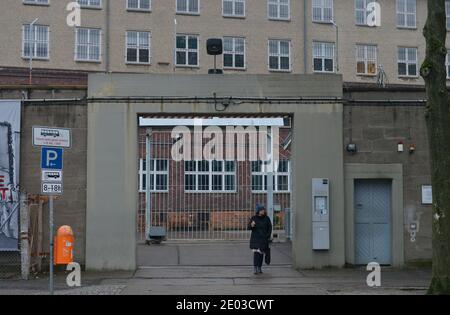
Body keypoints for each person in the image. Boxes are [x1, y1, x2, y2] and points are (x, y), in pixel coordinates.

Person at [248, 204, 272, 275]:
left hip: (263, 239)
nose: (263, 211)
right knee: (256, 254)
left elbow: (269, 227)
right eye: (261, 210)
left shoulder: (267, 218)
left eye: (263, 210)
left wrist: (267, 236)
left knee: (261, 254)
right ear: (258, 211)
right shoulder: (254, 218)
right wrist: (252, 225)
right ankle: (255, 268)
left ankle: (259, 267)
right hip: (256, 239)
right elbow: (249, 227)